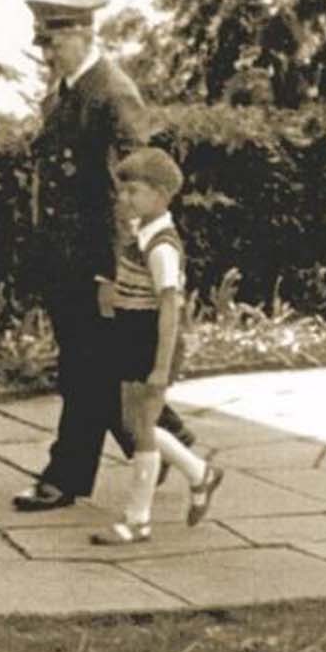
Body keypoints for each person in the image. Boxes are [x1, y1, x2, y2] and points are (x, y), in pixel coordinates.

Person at [13, 0, 195, 513]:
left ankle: (64, 476)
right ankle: (174, 448)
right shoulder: (68, 91)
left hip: (96, 261)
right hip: (68, 258)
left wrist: (120, 268)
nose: (47, 55)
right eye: (44, 45)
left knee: (85, 371)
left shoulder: (111, 93)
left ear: (80, 34)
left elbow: (134, 188)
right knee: (98, 370)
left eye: (54, 43)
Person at [90, 148, 223, 545]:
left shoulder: (161, 246)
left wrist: (161, 367)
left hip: (151, 340)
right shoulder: (139, 236)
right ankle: (200, 474)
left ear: (162, 196)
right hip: (132, 335)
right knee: (137, 426)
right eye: (122, 191)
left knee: (142, 429)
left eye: (134, 192)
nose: (123, 199)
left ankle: (138, 520)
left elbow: (169, 310)